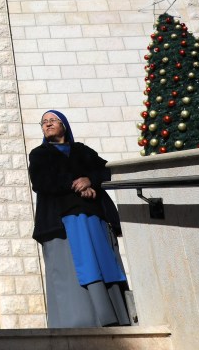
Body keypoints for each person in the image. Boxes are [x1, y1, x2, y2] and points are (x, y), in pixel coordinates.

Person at [28, 110, 130, 327]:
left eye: (52, 120)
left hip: (94, 217)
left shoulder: (82, 150)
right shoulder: (39, 154)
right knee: (73, 270)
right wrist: (77, 185)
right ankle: (80, 321)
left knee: (104, 264)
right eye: (44, 122)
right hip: (61, 221)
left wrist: (89, 179)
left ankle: (117, 317)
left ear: (64, 125)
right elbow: (41, 182)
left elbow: (106, 171)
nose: (47, 124)